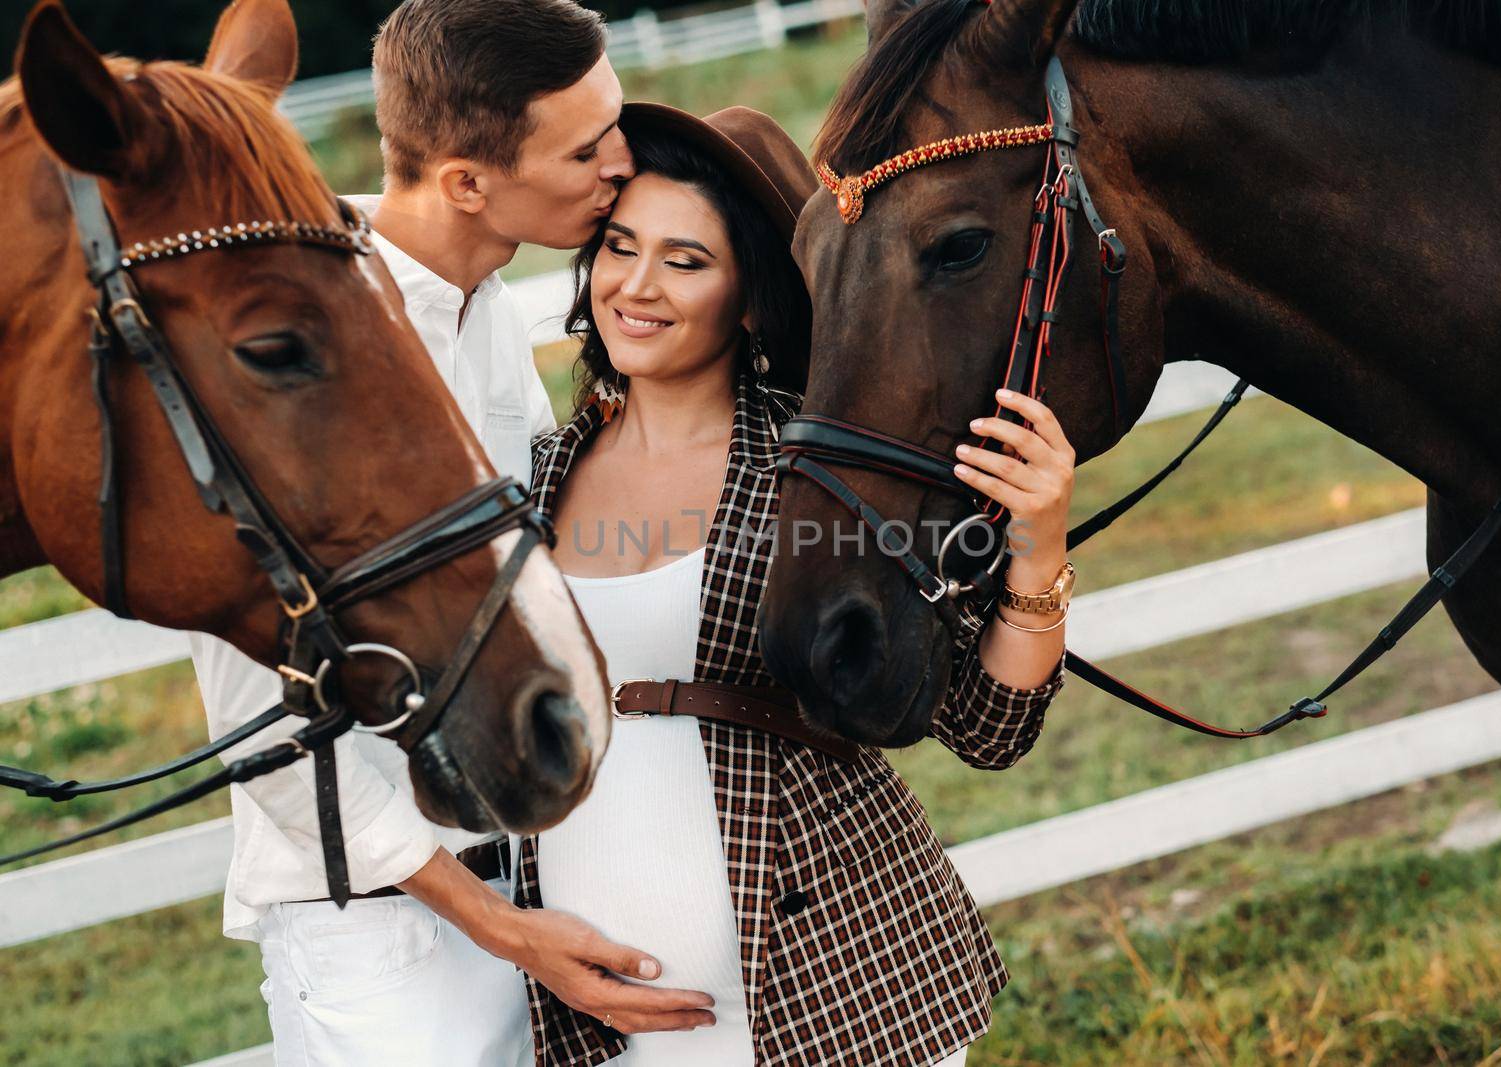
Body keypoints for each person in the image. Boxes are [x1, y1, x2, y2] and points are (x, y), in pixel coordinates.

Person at [515, 103, 1077, 1065]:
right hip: (602, 1021)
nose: (636, 287)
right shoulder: (538, 474)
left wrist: (1040, 544)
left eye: (685, 261)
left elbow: (988, 725)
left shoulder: (816, 467)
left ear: (747, 297)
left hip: (838, 991)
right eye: (620, 247)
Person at [184, 1, 669, 1062]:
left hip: (525, 874)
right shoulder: (293, 345)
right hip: (382, 921)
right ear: (465, 183)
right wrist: (495, 925)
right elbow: (256, 728)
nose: (622, 165)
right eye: (587, 148)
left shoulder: (485, 304)